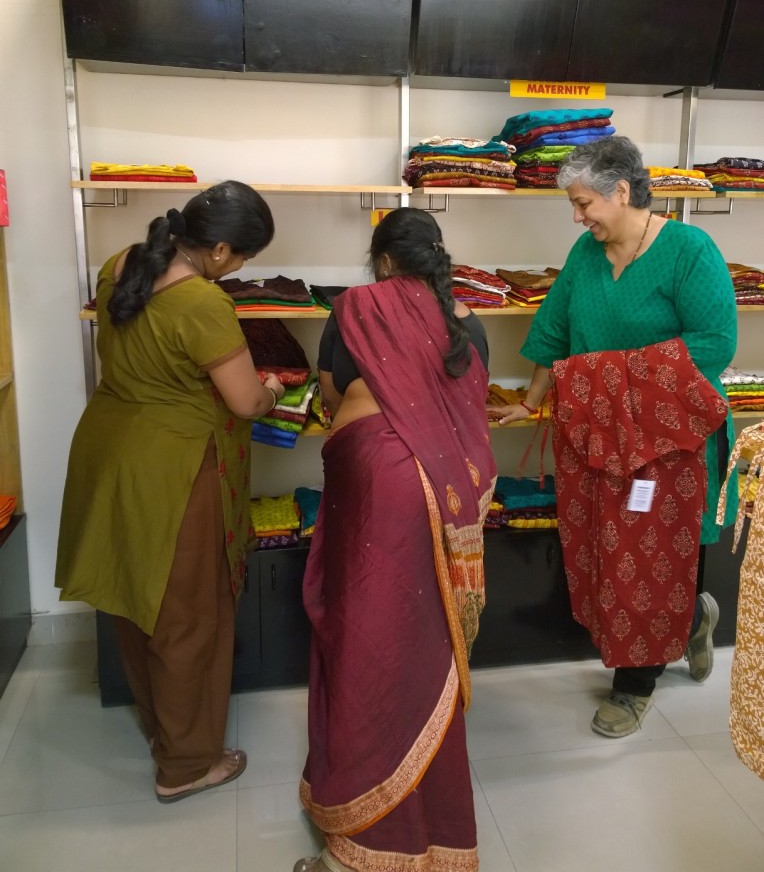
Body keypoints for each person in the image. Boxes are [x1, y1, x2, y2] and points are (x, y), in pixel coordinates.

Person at [487, 135, 738, 738]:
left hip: (667, 439)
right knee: (609, 550)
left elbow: (714, 344)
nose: (577, 217)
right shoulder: (585, 254)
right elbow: (552, 332)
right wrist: (530, 400)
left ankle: (635, 685)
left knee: (653, 556)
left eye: (583, 204)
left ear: (621, 192)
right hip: (597, 436)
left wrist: (612, 377)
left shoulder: (688, 251)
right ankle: (691, 621)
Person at [55, 180, 286, 802]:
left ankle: (162, 727)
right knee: (187, 618)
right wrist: (272, 390)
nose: (240, 270)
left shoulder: (121, 263)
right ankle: (186, 765)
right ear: (216, 249)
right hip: (173, 468)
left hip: (108, 452)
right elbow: (242, 404)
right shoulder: (202, 304)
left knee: (136, 600)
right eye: (243, 257)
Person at [295, 208, 497, 872]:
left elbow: (331, 392)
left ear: (383, 262)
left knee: (366, 637)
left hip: (377, 478)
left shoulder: (357, 308)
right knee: (428, 647)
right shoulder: (470, 324)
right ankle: (432, 830)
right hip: (444, 491)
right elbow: (470, 413)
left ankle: (361, 835)